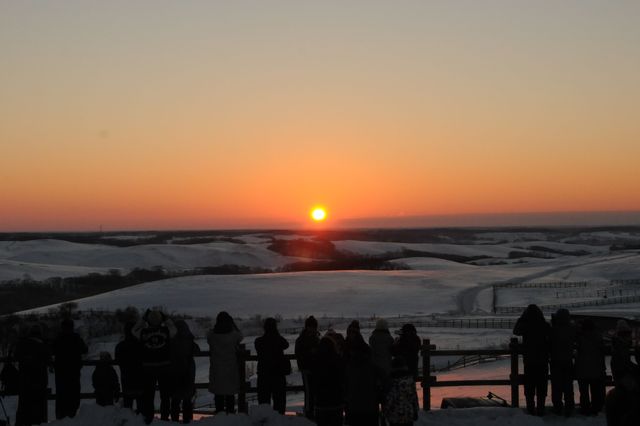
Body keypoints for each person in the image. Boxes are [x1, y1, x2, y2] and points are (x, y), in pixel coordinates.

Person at [132, 309, 177, 424]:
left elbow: (134, 330)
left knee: (149, 396)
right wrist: (166, 318)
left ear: (149, 321)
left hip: (148, 369)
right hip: (164, 368)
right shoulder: (166, 331)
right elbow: (174, 329)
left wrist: (143, 319)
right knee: (165, 396)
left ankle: (149, 418)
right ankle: (165, 418)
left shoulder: (143, 333)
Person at [513, 304, 551, 416]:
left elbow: (516, 331)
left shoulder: (526, 325)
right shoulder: (543, 325)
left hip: (529, 361)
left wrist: (522, 318)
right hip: (543, 360)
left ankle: (530, 409)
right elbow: (551, 333)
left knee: (529, 386)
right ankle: (540, 409)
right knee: (541, 386)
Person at [14, 324, 50, 426]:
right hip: (40, 382)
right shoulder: (43, 345)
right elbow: (48, 359)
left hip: (24, 381)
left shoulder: (22, 344)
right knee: (38, 408)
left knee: (23, 407)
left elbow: (16, 356)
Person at [207, 311, 243, 414]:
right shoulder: (233, 335)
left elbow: (208, 337)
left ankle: (219, 415)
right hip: (230, 368)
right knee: (230, 394)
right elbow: (241, 336)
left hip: (216, 368)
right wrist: (233, 325)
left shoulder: (212, 335)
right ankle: (230, 415)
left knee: (218, 394)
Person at [605, 320, 640, 426]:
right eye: (628, 334)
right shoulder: (621, 348)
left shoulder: (620, 347)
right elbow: (623, 366)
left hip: (623, 383)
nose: (630, 336)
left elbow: (624, 364)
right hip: (625, 384)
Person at [52, 318, 88, 420]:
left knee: (61, 396)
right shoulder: (76, 338)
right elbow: (85, 349)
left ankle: (61, 417)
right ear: (72, 327)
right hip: (74, 372)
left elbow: (51, 350)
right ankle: (71, 416)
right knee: (74, 395)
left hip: (60, 373)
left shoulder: (58, 339)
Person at [255, 317, 290, 414]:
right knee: (279, 403)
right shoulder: (279, 340)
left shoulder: (259, 342)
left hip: (263, 375)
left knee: (264, 402)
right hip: (278, 375)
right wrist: (276, 334)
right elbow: (286, 344)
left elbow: (257, 345)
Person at [344, 334, 380, 426]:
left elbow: (344, 386)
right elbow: (383, 381)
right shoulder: (372, 366)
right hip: (371, 406)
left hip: (354, 407)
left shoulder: (349, 367)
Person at [170, 320, 200, 424]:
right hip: (188, 372)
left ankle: (174, 421)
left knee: (175, 400)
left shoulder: (172, 341)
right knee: (187, 400)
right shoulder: (189, 341)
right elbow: (197, 351)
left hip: (175, 373)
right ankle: (188, 421)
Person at [575, 318, 606, 416]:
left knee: (584, 392)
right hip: (596, 369)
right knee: (595, 390)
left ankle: (585, 409)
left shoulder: (580, 337)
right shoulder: (598, 336)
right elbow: (602, 351)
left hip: (583, 369)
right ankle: (595, 409)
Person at [549, 308, 576, 416]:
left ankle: (557, 407)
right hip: (568, 360)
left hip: (555, 361)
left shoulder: (554, 329)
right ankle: (569, 406)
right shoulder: (571, 329)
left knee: (556, 386)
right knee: (568, 386)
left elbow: (549, 340)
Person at [313, 336, 345, 426]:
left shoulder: (316, 361)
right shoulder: (338, 359)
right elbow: (342, 378)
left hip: (321, 403)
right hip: (336, 402)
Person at [115, 321, 144, 412]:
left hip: (126, 380)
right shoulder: (142, 345)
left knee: (127, 408)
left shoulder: (120, 346)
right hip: (140, 380)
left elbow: (117, 360)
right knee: (141, 409)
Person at [295, 315, 320, 419]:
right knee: (309, 392)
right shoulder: (301, 339)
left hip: (316, 369)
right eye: (311, 326)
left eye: (314, 327)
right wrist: (304, 367)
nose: (313, 329)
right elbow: (299, 355)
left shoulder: (316, 338)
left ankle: (314, 410)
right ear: (307, 327)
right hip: (307, 370)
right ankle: (309, 412)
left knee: (315, 391)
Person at [383, 357, 418, 426]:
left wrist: (384, 413)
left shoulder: (392, 381)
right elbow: (414, 396)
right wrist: (415, 410)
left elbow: (389, 399)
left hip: (395, 416)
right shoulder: (410, 380)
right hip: (408, 414)